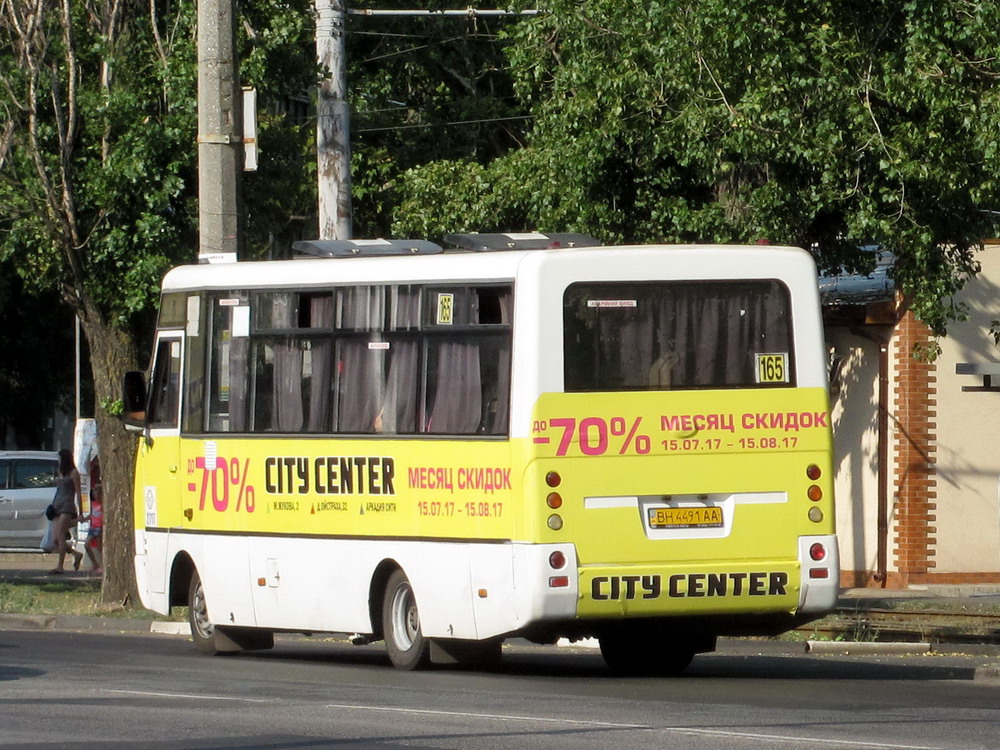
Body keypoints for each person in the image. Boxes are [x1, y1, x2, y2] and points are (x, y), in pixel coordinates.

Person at [49, 448, 83, 574]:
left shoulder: (74, 473)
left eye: (60, 459)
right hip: (57, 504)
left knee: (62, 535)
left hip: (67, 506)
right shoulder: (60, 472)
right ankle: (76, 554)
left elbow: (78, 493)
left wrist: (80, 511)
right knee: (55, 538)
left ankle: (60, 566)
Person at [79, 456, 104, 576]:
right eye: (95, 494)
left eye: (98, 494)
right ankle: (96, 564)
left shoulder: (102, 505)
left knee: (99, 547)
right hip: (93, 527)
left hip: (99, 528)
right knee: (87, 545)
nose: (97, 496)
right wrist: (85, 518)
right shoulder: (93, 504)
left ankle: (102, 565)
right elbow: (92, 515)